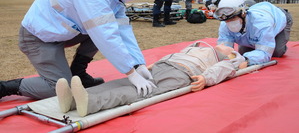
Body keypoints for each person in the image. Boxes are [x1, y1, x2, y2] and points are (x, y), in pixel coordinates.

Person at [0, 0, 159, 100]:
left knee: (102, 30)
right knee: (61, 89)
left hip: (59, 31)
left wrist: (139, 64)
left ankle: (78, 73)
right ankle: (6, 87)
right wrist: (130, 73)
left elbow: (123, 30)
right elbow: (106, 36)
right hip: (37, 37)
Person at [56, 42, 246, 117]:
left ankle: (90, 103)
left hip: (182, 74)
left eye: (230, 47)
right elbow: (174, 54)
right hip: (165, 66)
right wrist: (152, 66)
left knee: (138, 92)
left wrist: (206, 78)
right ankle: (73, 99)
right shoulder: (198, 46)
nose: (226, 44)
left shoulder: (225, 58)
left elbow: (226, 68)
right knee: (127, 81)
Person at [214, 0, 293, 66]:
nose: (230, 23)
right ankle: (257, 44)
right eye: (227, 20)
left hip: (279, 17)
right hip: (258, 16)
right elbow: (224, 48)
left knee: (276, 52)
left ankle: (275, 41)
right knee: (243, 52)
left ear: (243, 13)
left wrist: (246, 59)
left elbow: (265, 53)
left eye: (233, 18)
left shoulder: (262, 24)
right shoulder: (224, 25)